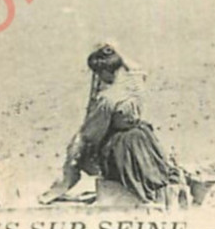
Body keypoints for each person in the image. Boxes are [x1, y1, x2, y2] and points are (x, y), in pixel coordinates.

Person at [39, 43, 186, 206]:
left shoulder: (107, 99)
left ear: (104, 72)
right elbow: (137, 69)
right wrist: (115, 52)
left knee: (79, 148)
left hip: (122, 148)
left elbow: (92, 133)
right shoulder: (135, 83)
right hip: (144, 140)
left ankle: (62, 186)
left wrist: (76, 152)